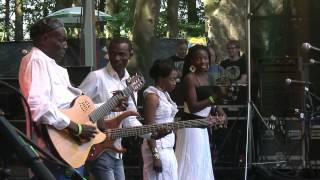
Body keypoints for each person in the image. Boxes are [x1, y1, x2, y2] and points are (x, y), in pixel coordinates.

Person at [18, 17, 127, 180]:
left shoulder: (55, 67)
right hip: (52, 154)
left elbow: (78, 111)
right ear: (45, 38)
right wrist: (76, 128)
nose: (66, 45)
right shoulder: (36, 60)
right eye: (61, 40)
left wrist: (109, 105)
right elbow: (37, 106)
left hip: (69, 153)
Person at [79, 37, 166, 180]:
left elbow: (130, 119)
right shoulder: (96, 77)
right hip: (97, 145)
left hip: (116, 148)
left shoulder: (130, 83)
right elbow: (77, 106)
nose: (116, 58)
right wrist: (109, 105)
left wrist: (151, 135)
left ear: (130, 55)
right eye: (113, 53)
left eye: (122, 54)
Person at [175, 45, 227, 180]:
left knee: (201, 163)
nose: (203, 61)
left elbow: (213, 100)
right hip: (191, 127)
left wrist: (221, 112)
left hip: (202, 127)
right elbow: (193, 107)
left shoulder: (209, 77)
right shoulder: (189, 78)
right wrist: (214, 97)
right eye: (199, 59)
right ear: (192, 61)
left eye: (205, 58)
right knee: (191, 163)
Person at [141, 59, 178, 180]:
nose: (175, 82)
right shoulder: (152, 97)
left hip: (167, 147)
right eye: (172, 79)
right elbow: (148, 128)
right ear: (161, 78)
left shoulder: (164, 94)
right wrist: (156, 156)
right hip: (158, 149)